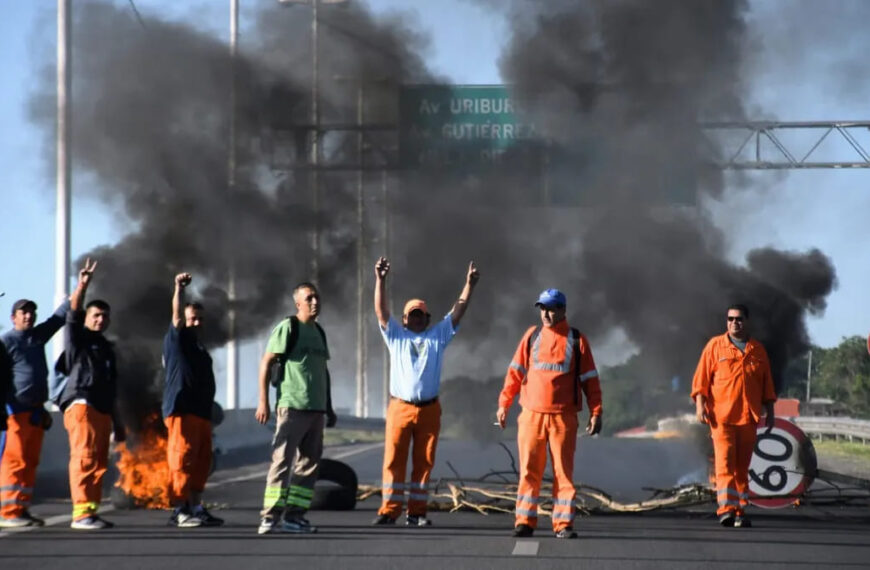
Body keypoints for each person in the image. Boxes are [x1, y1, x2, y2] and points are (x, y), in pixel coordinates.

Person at [371, 257, 480, 527]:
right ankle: (389, 510)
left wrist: (469, 285)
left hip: (429, 409)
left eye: (421, 315)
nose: (417, 319)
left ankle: (416, 513)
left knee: (424, 462)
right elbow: (381, 312)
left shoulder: (437, 337)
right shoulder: (396, 335)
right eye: (412, 315)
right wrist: (380, 280)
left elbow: (458, 311)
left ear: (427, 318)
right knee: (393, 461)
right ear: (405, 319)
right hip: (400, 407)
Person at [496, 288, 602, 539]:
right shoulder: (532, 337)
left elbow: (590, 381)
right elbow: (515, 373)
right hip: (531, 416)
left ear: (563, 310)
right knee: (528, 471)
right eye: (542, 308)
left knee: (562, 474)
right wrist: (504, 404)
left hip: (563, 418)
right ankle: (524, 522)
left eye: (552, 308)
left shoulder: (577, 340)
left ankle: (563, 524)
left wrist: (596, 412)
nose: (546, 313)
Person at [255, 282, 336, 534]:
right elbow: (266, 363)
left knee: (308, 465)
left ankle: (295, 516)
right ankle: (270, 516)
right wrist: (263, 401)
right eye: (309, 298)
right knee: (282, 462)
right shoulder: (288, 328)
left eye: (317, 298)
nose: (315, 302)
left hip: (316, 410)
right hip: (291, 406)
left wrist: (328, 407)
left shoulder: (319, 332)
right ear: (298, 303)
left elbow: (323, 371)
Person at [691, 303, 776, 528]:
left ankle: (740, 510)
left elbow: (767, 384)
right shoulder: (715, 347)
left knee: (741, 467)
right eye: (730, 319)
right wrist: (700, 406)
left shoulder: (757, 350)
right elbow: (701, 381)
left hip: (748, 417)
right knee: (725, 464)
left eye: (738, 319)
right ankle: (726, 509)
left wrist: (772, 412)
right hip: (722, 417)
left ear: (746, 321)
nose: (734, 323)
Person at [56, 258, 126, 530]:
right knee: (84, 457)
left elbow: (113, 389)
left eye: (105, 316)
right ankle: (80, 513)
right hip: (82, 405)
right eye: (96, 315)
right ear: (87, 318)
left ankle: (89, 512)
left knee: (98, 461)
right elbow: (72, 315)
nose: (101, 319)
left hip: (102, 409)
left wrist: (118, 425)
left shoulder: (107, 348)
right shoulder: (78, 339)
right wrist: (82, 286)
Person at [0, 293, 70, 528]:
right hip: (14, 410)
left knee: (30, 461)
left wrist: (82, 286)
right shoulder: (7, 342)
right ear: (13, 318)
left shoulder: (38, 337)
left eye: (32, 312)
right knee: (15, 461)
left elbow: (60, 317)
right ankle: (9, 511)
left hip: (36, 411)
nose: (29, 315)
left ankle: (22, 508)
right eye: (24, 312)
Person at [162, 272, 223, 528]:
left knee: (200, 462)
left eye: (199, 319)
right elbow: (176, 315)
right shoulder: (178, 340)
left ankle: (196, 507)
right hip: (182, 409)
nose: (195, 323)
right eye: (191, 319)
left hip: (200, 412)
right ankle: (179, 509)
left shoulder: (199, 346)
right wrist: (178, 288)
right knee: (181, 460)